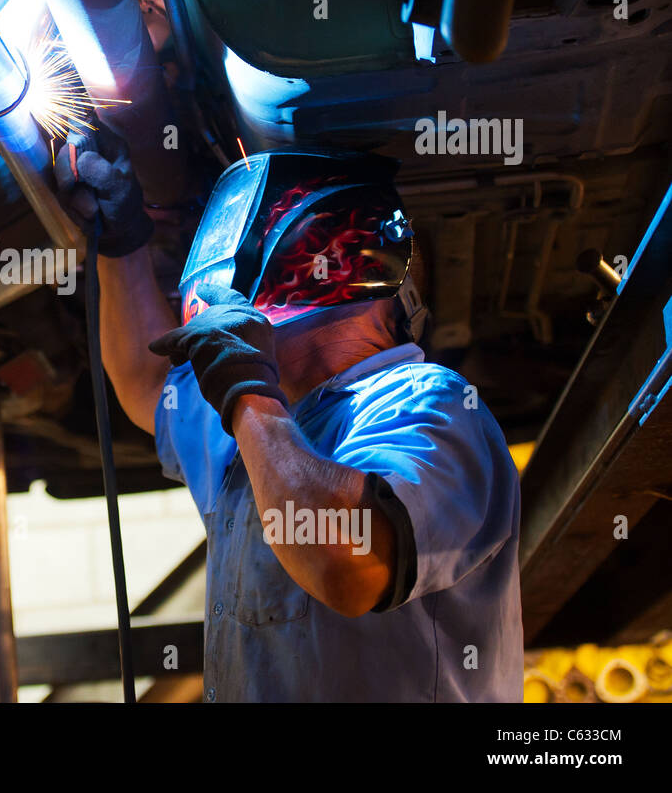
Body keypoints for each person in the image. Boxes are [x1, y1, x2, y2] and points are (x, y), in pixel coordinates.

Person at [56, 133, 523, 702]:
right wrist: (122, 241)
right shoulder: (255, 420)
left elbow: (350, 563)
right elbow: (148, 382)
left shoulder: (427, 403)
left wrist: (248, 395)